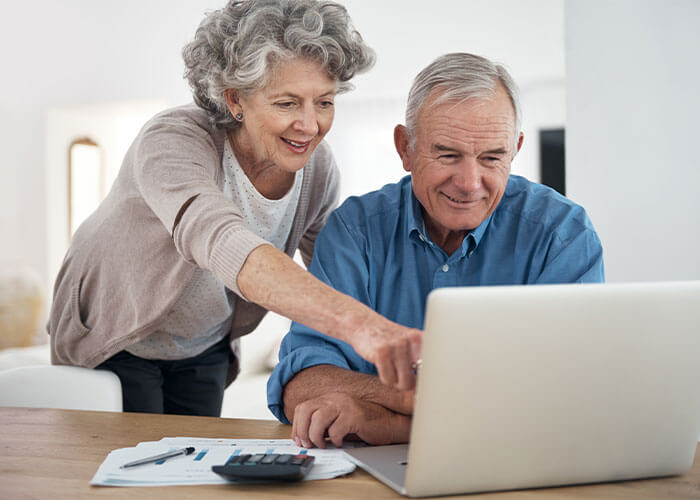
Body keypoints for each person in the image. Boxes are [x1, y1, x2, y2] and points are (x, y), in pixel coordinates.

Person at [47, 0, 421, 417]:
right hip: (116, 335)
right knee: (133, 470)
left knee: (192, 469)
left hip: (204, 342)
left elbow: (333, 273)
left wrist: (398, 335)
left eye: (325, 102)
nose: (310, 125)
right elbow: (220, 239)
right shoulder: (173, 139)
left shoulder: (318, 168)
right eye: (287, 103)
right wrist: (360, 326)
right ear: (235, 100)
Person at [267, 52, 605, 448]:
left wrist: (389, 422)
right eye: (447, 154)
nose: (468, 182)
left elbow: (566, 398)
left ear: (514, 149)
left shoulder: (562, 235)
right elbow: (301, 383)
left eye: (492, 157)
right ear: (405, 147)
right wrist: (419, 399)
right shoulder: (354, 231)